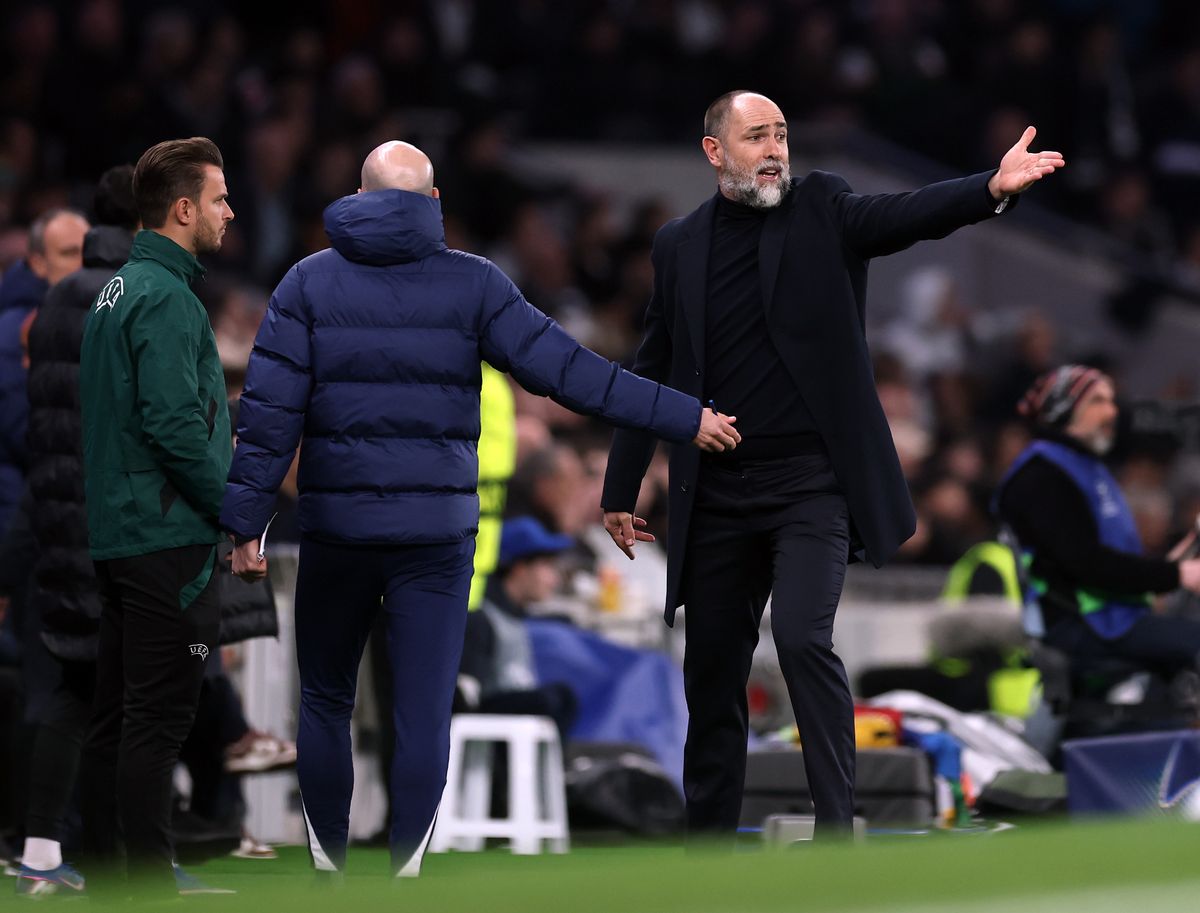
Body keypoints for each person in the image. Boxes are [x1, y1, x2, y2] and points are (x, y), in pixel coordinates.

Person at [219, 140, 739, 878]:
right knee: (424, 710)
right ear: (434, 202)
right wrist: (684, 415)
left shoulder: (308, 282)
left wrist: (245, 523)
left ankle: (328, 870)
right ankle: (406, 875)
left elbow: (268, 419)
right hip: (436, 541)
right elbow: (574, 374)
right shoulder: (474, 283)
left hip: (339, 531)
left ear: (360, 198)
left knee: (326, 701)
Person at [601, 90, 1065, 838]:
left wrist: (989, 188)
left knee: (802, 637)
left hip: (809, 485)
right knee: (712, 671)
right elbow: (650, 368)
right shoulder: (678, 245)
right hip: (716, 494)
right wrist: (621, 487)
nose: (774, 149)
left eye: (781, 134)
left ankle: (838, 830)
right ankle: (707, 850)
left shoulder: (821, 206)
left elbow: (904, 215)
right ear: (715, 152)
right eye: (757, 136)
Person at [78, 137, 235, 896]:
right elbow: (175, 428)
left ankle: (109, 879)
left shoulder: (116, 290)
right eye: (218, 199)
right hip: (167, 538)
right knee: (156, 722)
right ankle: (145, 886)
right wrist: (235, 508)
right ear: (182, 210)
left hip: (121, 533)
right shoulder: (168, 298)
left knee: (115, 720)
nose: (229, 213)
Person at [13, 166, 138, 897]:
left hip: (58, 516)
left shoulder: (59, 297)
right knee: (133, 694)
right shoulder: (134, 293)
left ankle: (47, 853)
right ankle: (128, 858)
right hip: (118, 520)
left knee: (78, 684)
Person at [995, 365, 1200, 678]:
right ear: (1063, 409)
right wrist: (1176, 574)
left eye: (1111, 401)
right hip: (1076, 624)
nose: (1112, 412)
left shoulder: (1083, 467)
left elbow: (1106, 561)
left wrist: (1174, 562)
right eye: (1098, 401)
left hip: (1109, 616)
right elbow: (1086, 563)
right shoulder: (1042, 476)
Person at [0, 208, 90, 536]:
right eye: (69, 253)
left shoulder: (84, 317)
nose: (82, 263)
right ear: (38, 263)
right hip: (24, 518)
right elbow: (27, 435)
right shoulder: (13, 333)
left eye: (87, 252)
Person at [459, 516, 579, 742]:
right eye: (547, 566)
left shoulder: (513, 615)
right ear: (520, 568)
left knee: (562, 697)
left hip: (510, 729)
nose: (553, 579)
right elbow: (467, 700)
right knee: (552, 699)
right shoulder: (481, 618)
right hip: (487, 732)